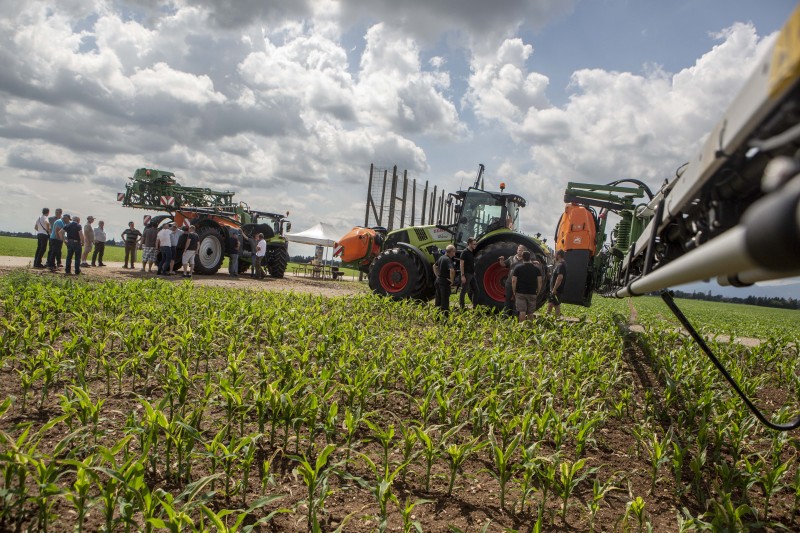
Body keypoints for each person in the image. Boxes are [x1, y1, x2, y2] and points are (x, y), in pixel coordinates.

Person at [512, 251, 543, 322]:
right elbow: (540, 281)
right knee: (530, 312)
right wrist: (538, 291)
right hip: (532, 293)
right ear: (530, 258)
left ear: (522, 258)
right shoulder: (536, 269)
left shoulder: (518, 268)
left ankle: (521, 328)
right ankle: (530, 328)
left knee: (522, 311)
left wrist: (514, 291)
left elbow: (513, 281)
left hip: (520, 293)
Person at [498, 244, 527, 317]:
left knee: (517, 300)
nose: (520, 251)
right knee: (507, 298)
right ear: (517, 250)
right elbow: (504, 265)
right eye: (519, 250)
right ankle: (505, 314)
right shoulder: (511, 258)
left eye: (522, 250)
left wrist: (534, 263)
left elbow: (530, 265)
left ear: (524, 251)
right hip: (509, 282)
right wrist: (501, 260)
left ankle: (515, 315)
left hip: (519, 283)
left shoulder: (525, 260)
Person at [433, 245, 456, 316]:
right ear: (451, 251)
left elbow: (434, 266)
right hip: (444, 283)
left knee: (438, 300)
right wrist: (452, 280)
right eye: (454, 251)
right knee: (445, 301)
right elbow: (452, 270)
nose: (455, 253)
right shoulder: (448, 259)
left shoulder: (441, 257)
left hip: (438, 281)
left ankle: (437, 316)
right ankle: (445, 318)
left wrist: (437, 275)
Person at [459, 237, 478, 309]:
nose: (475, 245)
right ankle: (462, 307)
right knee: (463, 291)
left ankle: (474, 307)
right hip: (466, 274)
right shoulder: (465, 252)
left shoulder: (471, 252)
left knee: (476, 290)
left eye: (476, 244)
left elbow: (471, 263)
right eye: (474, 244)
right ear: (469, 244)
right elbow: (461, 264)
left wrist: (473, 272)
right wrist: (462, 275)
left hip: (472, 274)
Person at [547, 250, 567, 317]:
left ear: (558, 255)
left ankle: (556, 319)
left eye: (555, 255)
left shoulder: (561, 265)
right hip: (554, 289)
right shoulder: (562, 264)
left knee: (556, 305)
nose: (554, 256)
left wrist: (554, 289)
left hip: (556, 290)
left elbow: (560, 278)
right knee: (550, 303)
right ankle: (548, 317)